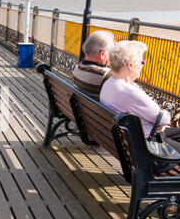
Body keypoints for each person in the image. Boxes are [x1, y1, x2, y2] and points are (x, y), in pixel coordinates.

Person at [100, 40, 180, 176]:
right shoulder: (129, 92)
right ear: (130, 65)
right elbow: (165, 118)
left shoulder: (109, 83)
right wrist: (155, 123)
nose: (142, 65)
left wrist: (153, 123)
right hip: (148, 149)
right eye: (141, 62)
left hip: (131, 143)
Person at [72, 30, 115, 101]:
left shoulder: (78, 68)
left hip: (80, 110)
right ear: (102, 54)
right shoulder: (105, 76)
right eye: (111, 52)